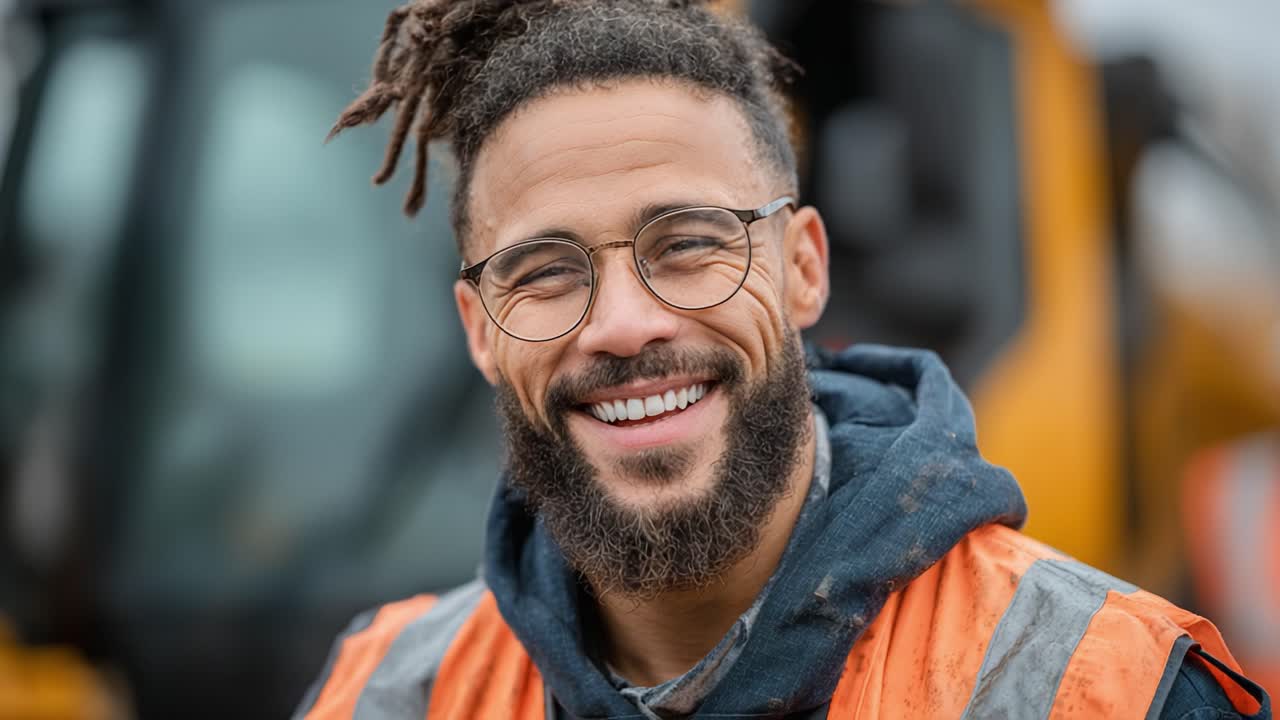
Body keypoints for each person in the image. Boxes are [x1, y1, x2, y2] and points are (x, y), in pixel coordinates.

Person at [294, 1, 1271, 718]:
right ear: (478, 326)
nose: (624, 324)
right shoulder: (382, 694)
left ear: (804, 267)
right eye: (544, 272)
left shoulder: (1107, 688)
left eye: (685, 245)